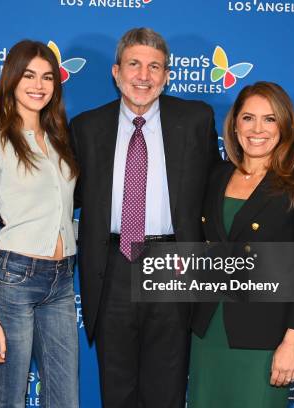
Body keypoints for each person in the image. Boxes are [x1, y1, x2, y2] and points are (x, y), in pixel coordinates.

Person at [69, 27, 220, 407]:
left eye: (155, 67)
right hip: (113, 267)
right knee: (117, 390)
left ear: (167, 77)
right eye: (134, 64)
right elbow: (66, 195)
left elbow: (218, 191)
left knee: (166, 390)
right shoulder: (87, 127)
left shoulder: (196, 120)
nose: (144, 76)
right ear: (116, 72)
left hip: (173, 265)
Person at [189, 81, 294, 407]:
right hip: (207, 331)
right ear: (235, 126)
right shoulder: (215, 175)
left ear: (284, 126)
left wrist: (293, 344)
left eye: (269, 119)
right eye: (248, 118)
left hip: (266, 337)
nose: (258, 129)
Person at [0, 40, 79, 408]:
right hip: (14, 279)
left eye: (47, 77)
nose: (39, 85)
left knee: (65, 399)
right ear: (11, 80)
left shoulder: (61, 141)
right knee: (7, 399)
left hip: (62, 279)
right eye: (28, 75)